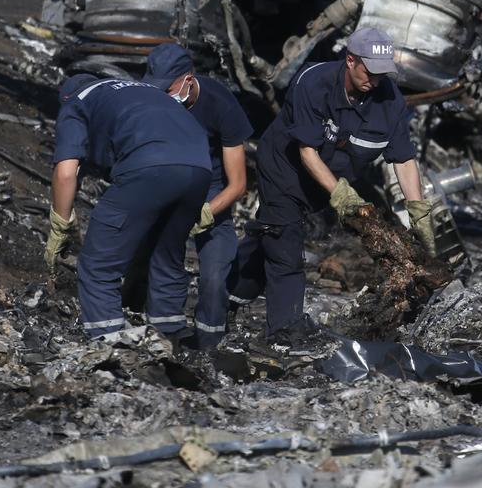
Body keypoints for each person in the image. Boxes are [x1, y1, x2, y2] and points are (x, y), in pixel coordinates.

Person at [227, 27, 436, 345]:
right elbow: (307, 151)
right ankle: (284, 332)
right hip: (286, 170)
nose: (376, 81)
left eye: (383, 74)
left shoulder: (390, 99)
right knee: (285, 244)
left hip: (329, 182)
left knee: (269, 238)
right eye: (370, 72)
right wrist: (341, 194)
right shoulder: (314, 83)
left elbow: (404, 160)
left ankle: (226, 291)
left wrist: (418, 211)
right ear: (350, 61)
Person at [45, 73, 211, 341]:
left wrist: (60, 225)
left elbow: (66, 173)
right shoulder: (144, 92)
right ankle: (173, 335)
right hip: (201, 170)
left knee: (99, 265)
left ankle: (110, 344)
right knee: (164, 255)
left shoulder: (76, 101)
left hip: (150, 166)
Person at [142, 43, 254, 349]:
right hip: (169, 180)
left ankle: (209, 341)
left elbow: (238, 183)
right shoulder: (152, 102)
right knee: (158, 260)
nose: (162, 96)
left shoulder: (221, 104)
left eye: (168, 89)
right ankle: (165, 336)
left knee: (215, 276)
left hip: (212, 188)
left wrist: (205, 213)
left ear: (188, 80)